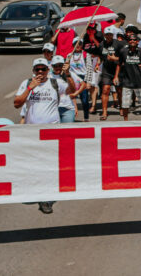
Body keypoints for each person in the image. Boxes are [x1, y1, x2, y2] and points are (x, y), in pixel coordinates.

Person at [14, 58, 75, 213]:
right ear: (33, 70)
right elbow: (17, 103)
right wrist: (30, 88)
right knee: (33, 165)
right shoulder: (27, 82)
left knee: (49, 165)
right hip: (32, 133)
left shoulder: (55, 83)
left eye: (43, 69)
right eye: (37, 69)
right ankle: (33, 192)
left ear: (48, 70)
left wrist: (67, 74)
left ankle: (47, 199)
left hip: (51, 132)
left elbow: (71, 90)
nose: (40, 72)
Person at [116, 32, 141, 121]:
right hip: (127, 81)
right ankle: (125, 120)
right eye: (130, 39)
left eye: (134, 40)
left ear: (137, 42)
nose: (132, 41)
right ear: (128, 41)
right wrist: (116, 76)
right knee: (125, 104)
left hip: (140, 81)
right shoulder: (123, 51)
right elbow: (119, 64)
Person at [51, 55, 83, 123]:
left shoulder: (70, 74)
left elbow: (82, 85)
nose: (58, 67)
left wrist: (75, 96)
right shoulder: (48, 76)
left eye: (60, 65)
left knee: (66, 131)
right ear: (52, 66)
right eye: (55, 66)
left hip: (67, 108)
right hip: (53, 109)